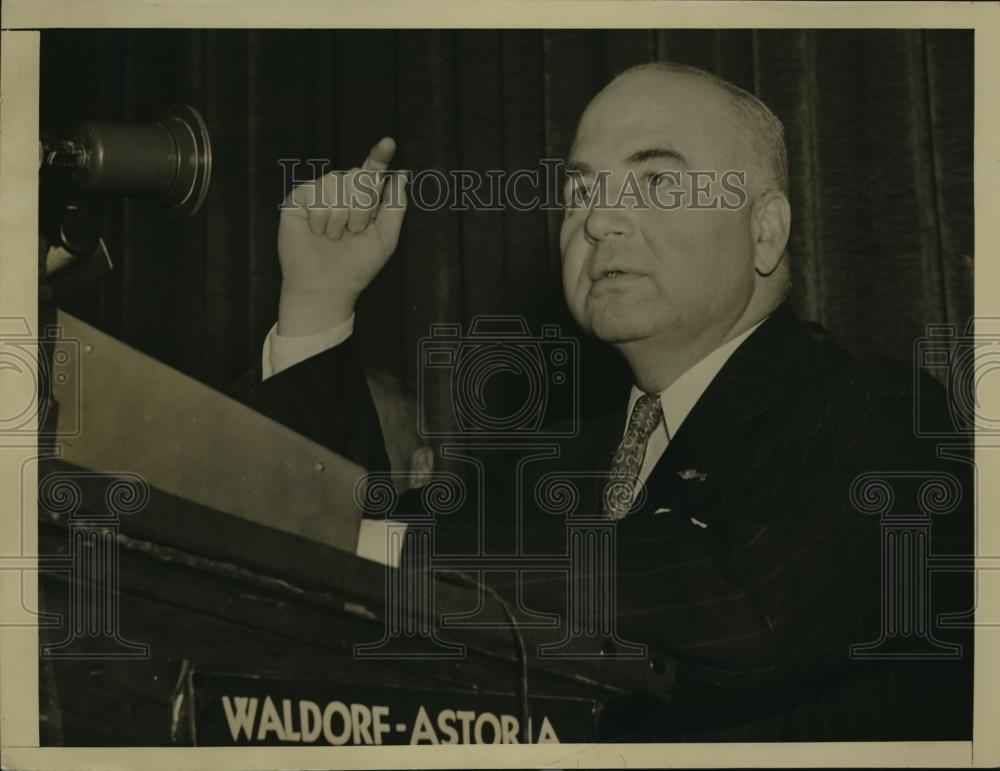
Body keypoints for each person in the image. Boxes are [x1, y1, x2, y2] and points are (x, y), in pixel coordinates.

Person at [247, 62, 973, 741]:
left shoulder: (880, 416)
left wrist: (404, 553)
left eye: (656, 182)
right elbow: (332, 563)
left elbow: (747, 604)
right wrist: (318, 301)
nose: (597, 221)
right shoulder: (546, 464)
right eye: (581, 192)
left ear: (765, 229)